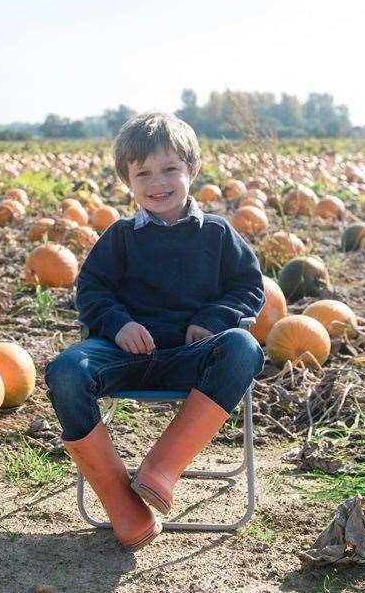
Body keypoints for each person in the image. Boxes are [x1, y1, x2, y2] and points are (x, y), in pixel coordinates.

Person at [44, 111, 266, 550]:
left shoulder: (218, 234)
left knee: (243, 346)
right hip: (126, 355)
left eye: (170, 169)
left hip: (191, 358)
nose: (157, 182)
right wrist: (119, 324)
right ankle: (122, 503)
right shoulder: (121, 237)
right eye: (143, 172)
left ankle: (161, 470)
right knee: (65, 371)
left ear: (192, 170)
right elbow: (91, 289)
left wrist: (213, 319)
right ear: (127, 180)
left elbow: (248, 287)